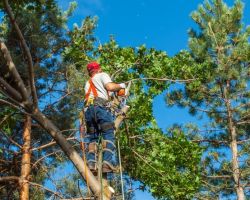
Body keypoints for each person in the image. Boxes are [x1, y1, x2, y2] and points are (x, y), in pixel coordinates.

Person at [84, 61, 126, 174]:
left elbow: (104, 92)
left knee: (93, 138)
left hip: (88, 111)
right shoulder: (102, 75)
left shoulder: (88, 83)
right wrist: (121, 86)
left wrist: (114, 95)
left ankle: (91, 163)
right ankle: (106, 164)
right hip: (100, 109)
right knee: (108, 134)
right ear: (99, 69)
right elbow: (110, 86)